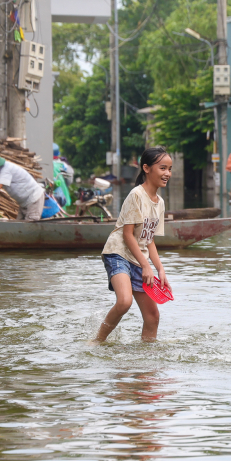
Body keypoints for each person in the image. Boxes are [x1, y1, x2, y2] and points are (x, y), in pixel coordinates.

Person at [93, 147, 173, 344]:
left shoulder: (160, 202)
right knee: (124, 301)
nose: (167, 174)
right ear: (146, 168)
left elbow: (149, 240)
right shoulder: (136, 195)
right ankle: (97, 342)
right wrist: (146, 265)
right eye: (163, 168)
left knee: (153, 316)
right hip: (118, 253)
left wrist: (160, 269)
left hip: (138, 259)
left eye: (170, 169)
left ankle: (146, 356)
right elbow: (128, 235)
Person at [0, 153, 45, 221]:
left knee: (30, 224)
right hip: (25, 201)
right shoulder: (2, 170)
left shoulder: (6, 169)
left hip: (33, 198)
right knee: (19, 224)